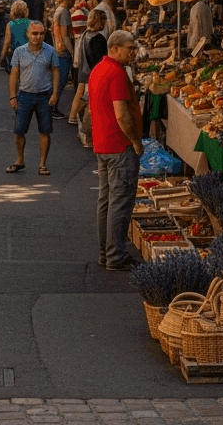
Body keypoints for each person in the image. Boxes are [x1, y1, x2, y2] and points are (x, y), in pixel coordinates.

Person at [89, 30, 144, 271]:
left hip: (103, 145)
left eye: (134, 48)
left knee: (106, 201)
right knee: (120, 202)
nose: (133, 52)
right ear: (115, 48)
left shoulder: (99, 69)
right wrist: (135, 141)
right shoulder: (117, 74)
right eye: (129, 48)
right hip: (119, 146)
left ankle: (106, 253)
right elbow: (121, 114)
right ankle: (116, 255)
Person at [6, 21, 60, 175]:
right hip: (24, 95)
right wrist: (12, 96)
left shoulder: (50, 51)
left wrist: (55, 93)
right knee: (19, 130)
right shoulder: (19, 51)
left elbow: (56, 72)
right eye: (34, 33)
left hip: (44, 95)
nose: (37, 36)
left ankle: (42, 164)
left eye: (41, 33)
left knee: (45, 130)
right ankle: (20, 160)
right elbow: (14, 74)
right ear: (28, 34)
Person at [70, 8, 109, 128]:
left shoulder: (85, 34)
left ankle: (73, 116)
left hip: (83, 68)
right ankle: (82, 119)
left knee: (80, 93)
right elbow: (100, 59)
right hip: (91, 71)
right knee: (87, 97)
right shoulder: (98, 38)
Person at [51, 0, 75, 119]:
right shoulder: (64, 12)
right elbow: (65, 35)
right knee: (61, 81)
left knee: (58, 80)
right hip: (63, 51)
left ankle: (52, 106)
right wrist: (72, 52)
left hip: (58, 48)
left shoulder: (58, 11)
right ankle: (53, 107)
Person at [0, 0, 31, 72]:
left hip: (16, 55)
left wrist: (2, 58)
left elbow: (7, 43)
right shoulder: (31, 23)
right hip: (29, 54)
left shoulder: (10, 24)